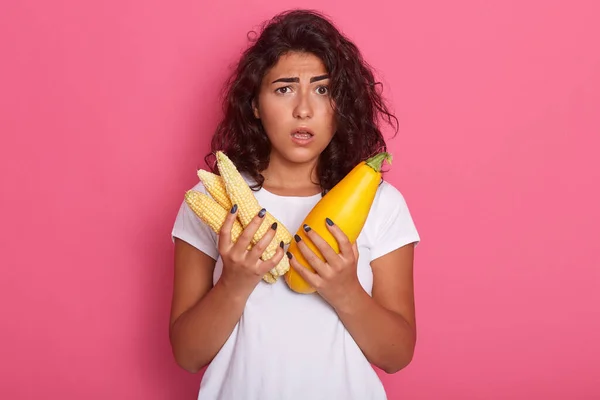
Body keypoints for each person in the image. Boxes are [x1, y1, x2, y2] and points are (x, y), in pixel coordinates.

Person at [169, 9, 421, 400]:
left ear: (342, 105)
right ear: (254, 104)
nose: (303, 109)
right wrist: (234, 284)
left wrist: (345, 290)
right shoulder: (210, 201)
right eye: (284, 89)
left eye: (323, 90)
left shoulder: (381, 204)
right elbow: (187, 355)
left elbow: (397, 355)